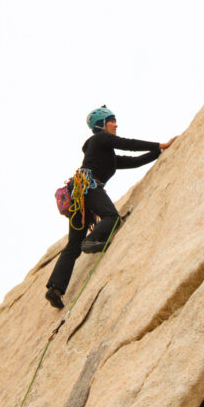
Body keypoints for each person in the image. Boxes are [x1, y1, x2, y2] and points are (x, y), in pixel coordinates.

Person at [45, 106, 176, 308]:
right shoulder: (100, 140)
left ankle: (55, 289)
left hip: (79, 194)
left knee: (73, 245)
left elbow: (134, 161)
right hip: (88, 187)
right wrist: (160, 143)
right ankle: (91, 241)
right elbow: (128, 144)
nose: (115, 124)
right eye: (111, 121)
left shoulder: (106, 154)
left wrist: (159, 151)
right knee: (111, 217)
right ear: (101, 125)